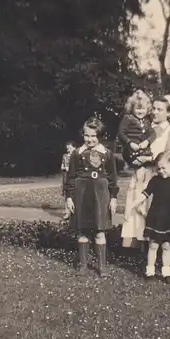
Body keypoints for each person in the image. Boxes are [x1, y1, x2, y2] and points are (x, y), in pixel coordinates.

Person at [121, 94, 170, 248]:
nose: (154, 112)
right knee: (138, 211)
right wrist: (132, 158)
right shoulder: (147, 128)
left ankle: (162, 252)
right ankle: (142, 251)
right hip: (141, 173)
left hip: (158, 176)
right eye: (153, 108)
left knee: (155, 211)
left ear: (169, 113)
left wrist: (148, 159)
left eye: (159, 109)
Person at [65, 117, 119, 276]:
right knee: (82, 231)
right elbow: (70, 177)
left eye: (93, 136)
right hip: (81, 194)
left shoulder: (107, 154)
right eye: (87, 135)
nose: (89, 139)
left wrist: (114, 197)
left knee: (99, 231)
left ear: (99, 136)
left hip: (101, 196)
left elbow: (113, 178)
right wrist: (69, 197)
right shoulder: (77, 154)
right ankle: (83, 265)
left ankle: (102, 266)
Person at [125, 151, 170, 283]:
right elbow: (144, 194)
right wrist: (133, 204)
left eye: (164, 168)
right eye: (159, 168)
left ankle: (166, 273)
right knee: (153, 246)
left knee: (167, 246)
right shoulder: (155, 181)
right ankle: (150, 272)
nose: (161, 171)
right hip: (155, 217)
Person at [118, 90, 156, 183]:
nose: (140, 111)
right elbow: (121, 133)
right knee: (140, 172)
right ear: (132, 108)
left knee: (149, 168)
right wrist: (130, 143)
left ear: (147, 109)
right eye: (137, 109)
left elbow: (153, 133)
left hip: (143, 150)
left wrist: (147, 142)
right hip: (131, 150)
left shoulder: (146, 121)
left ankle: (140, 187)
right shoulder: (128, 118)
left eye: (143, 109)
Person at [61, 140, 77, 220]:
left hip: (75, 177)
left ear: (74, 148)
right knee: (67, 193)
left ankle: (75, 212)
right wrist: (65, 168)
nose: (69, 150)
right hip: (67, 177)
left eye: (70, 148)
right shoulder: (65, 156)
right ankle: (67, 212)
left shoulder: (77, 156)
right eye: (67, 149)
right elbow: (62, 166)